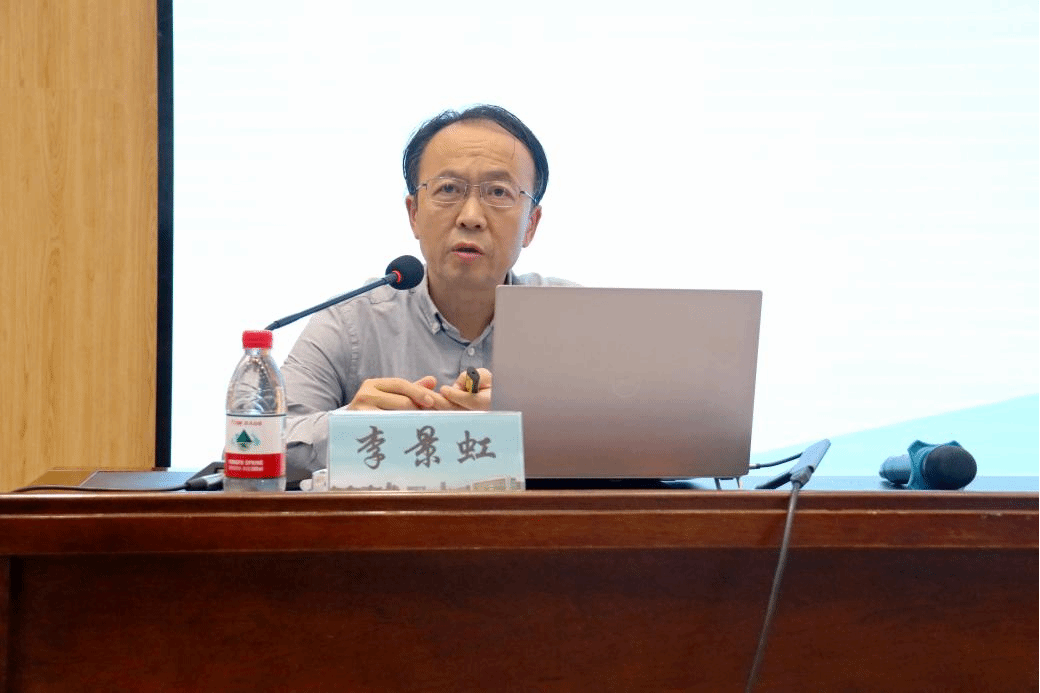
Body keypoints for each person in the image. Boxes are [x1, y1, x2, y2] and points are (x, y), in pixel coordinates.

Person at [281, 105, 575, 474]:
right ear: (414, 214)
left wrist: (526, 427)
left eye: (498, 191)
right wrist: (351, 429)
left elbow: (636, 440)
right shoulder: (351, 321)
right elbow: (259, 441)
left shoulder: (574, 319)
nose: (471, 217)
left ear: (531, 223)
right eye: (448, 189)